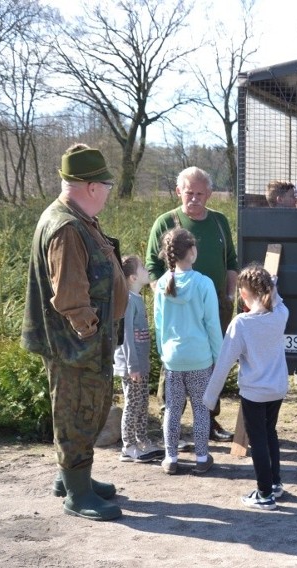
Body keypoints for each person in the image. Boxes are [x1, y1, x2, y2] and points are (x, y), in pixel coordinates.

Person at [21, 143, 127, 521]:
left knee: (80, 412)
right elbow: (69, 298)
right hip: (76, 348)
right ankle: (77, 494)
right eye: (107, 187)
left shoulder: (75, 218)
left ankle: (71, 479)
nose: (108, 195)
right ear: (92, 187)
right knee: (79, 413)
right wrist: (92, 334)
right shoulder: (67, 227)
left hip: (79, 346)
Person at [146, 166, 239, 443]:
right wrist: (164, 293)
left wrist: (230, 296)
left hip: (216, 306)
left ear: (209, 193)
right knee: (173, 364)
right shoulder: (166, 222)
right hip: (179, 309)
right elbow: (152, 265)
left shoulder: (220, 221)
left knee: (214, 360)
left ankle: (209, 421)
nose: (195, 199)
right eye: (189, 193)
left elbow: (232, 261)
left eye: (201, 193)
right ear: (178, 192)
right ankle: (171, 424)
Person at [203, 264, 289, 511]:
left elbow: (223, 364)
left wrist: (209, 399)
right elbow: (278, 300)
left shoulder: (241, 324)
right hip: (277, 389)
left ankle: (264, 494)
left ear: (243, 294)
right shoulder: (281, 314)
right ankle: (275, 484)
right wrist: (271, 285)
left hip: (254, 392)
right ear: (270, 290)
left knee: (258, 440)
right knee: (270, 433)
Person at [153, 227, 223, 475]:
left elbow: (159, 325)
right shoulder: (204, 283)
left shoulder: (162, 284)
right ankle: (202, 457)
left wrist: (164, 353)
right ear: (192, 252)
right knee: (201, 409)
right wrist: (219, 357)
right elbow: (212, 324)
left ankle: (171, 458)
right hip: (200, 358)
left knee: (172, 409)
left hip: (172, 358)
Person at [114, 255, 164, 464]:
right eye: (142, 267)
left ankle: (142, 441)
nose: (146, 269)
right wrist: (133, 366)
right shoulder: (126, 300)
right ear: (133, 277)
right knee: (132, 405)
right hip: (131, 366)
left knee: (142, 403)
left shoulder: (137, 299)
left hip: (139, 366)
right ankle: (128, 447)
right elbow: (125, 337)